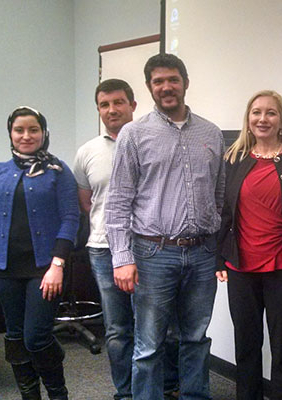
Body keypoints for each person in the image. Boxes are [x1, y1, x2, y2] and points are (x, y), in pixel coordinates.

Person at [105, 53, 225, 400]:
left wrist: (209, 233)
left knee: (196, 338)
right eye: (158, 81)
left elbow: (218, 193)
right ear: (149, 88)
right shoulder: (134, 133)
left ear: (185, 82)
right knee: (149, 344)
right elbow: (117, 202)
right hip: (152, 253)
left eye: (173, 79)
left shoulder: (212, 133)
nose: (167, 87)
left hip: (202, 252)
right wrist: (122, 257)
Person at [73, 78, 180, 400]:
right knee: (118, 329)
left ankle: (167, 387)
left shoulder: (154, 141)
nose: (112, 110)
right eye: (104, 105)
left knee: (160, 328)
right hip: (105, 251)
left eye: (118, 102)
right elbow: (87, 202)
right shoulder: (87, 152)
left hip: (151, 249)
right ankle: (127, 393)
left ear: (133, 105)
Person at [0, 106, 79, 400]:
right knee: (15, 336)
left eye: (33, 129)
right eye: (19, 130)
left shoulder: (58, 171)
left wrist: (58, 264)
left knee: (36, 337)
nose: (26, 136)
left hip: (44, 268)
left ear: (44, 133)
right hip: (2, 267)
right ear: (10, 133)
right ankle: (29, 396)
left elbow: (71, 218)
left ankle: (58, 394)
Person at [216, 90, 282, 400]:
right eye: (256, 112)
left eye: (270, 112)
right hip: (241, 268)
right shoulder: (235, 158)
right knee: (246, 347)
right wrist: (220, 258)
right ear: (248, 119)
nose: (262, 119)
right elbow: (225, 211)